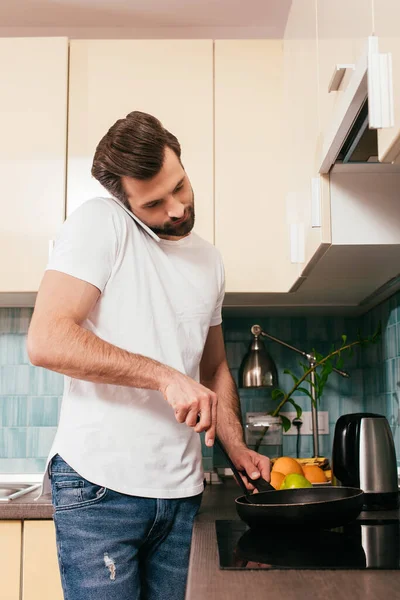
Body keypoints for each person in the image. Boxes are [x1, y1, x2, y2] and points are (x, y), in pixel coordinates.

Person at [27, 111, 270, 600]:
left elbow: (213, 366)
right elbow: (47, 339)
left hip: (182, 493)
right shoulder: (101, 223)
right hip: (100, 489)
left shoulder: (209, 259)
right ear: (124, 203)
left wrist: (236, 447)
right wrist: (162, 376)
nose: (178, 208)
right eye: (155, 203)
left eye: (180, 186)